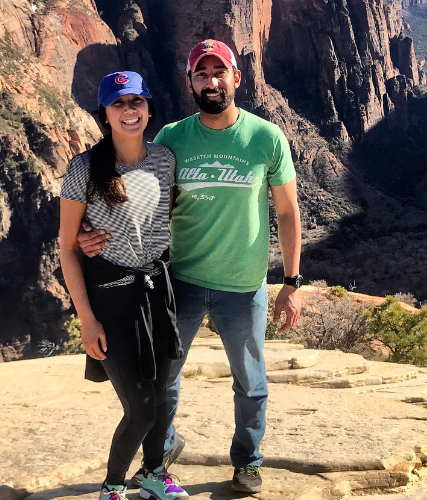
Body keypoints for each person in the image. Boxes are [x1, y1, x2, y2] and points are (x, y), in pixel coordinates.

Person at [78, 40, 303, 494]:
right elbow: (134, 195)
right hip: (177, 279)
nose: (212, 81)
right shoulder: (172, 138)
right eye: (202, 74)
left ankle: (248, 461)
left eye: (220, 71)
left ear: (237, 78)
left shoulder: (266, 137)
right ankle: (161, 456)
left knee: (251, 382)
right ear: (189, 84)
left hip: (243, 285)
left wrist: (291, 282)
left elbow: (288, 212)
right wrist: (89, 231)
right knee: (164, 380)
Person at [59, 71, 189, 500]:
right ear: (105, 114)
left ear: (149, 108)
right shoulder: (84, 168)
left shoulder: (164, 160)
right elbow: (66, 248)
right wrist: (86, 320)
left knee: (161, 395)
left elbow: (158, 221)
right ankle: (112, 486)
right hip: (112, 299)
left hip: (158, 290)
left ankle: (153, 474)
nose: (129, 110)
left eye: (137, 101)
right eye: (119, 103)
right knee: (141, 407)